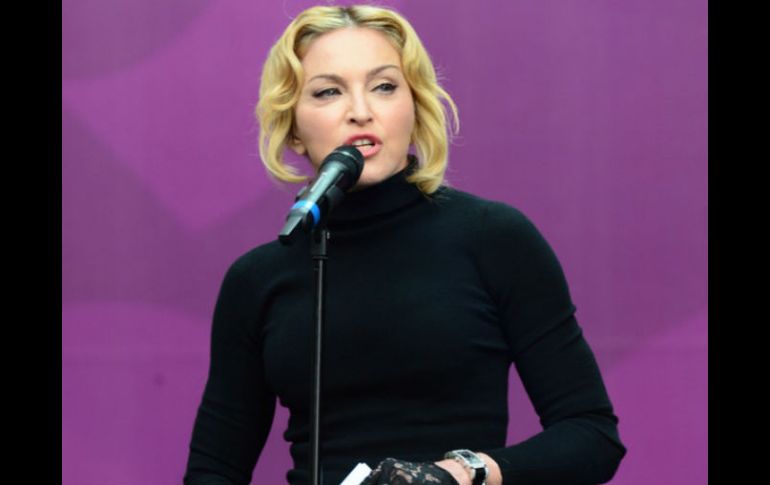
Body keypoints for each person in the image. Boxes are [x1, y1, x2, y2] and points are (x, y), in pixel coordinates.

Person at [184, 4, 627, 485]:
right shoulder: (258, 278)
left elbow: (591, 436)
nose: (360, 111)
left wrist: (461, 473)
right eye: (329, 91)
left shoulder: (493, 238)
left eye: (384, 86)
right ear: (292, 127)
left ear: (414, 107)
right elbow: (214, 471)